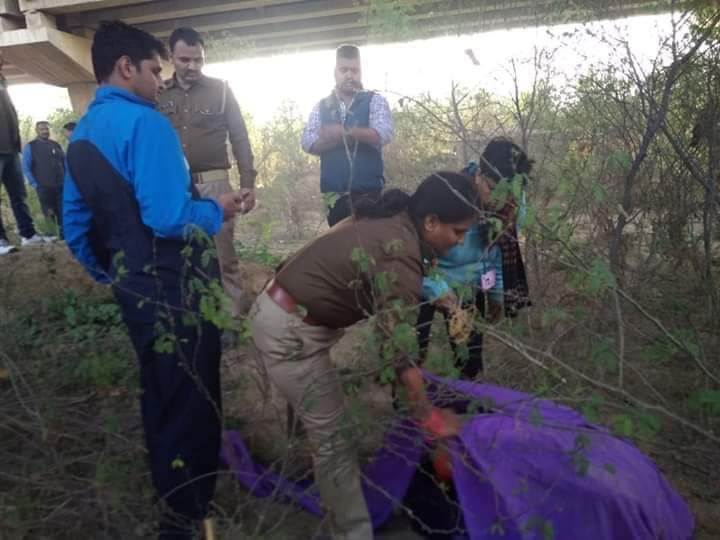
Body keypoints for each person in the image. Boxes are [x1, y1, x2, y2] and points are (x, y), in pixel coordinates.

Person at [62, 21, 243, 538]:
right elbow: (167, 215)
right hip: (178, 282)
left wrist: (118, 273)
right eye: (154, 70)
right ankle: (189, 514)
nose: (160, 81)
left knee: (161, 390)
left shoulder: (84, 135)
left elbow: (74, 226)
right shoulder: (148, 125)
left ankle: (174, 490)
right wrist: (217, 209)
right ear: (127, 67)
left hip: (136, 288)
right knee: (193, 392)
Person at [250, 171, 478, 540]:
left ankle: (299, 453)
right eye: (458, 231)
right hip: (290, 332)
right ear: (431, 221)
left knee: (317, 409)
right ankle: (353, 533)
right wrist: (430, 419)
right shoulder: (400, 252)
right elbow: (399, 354)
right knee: (334, 440)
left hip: (284, 314)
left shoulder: (397, 219)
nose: (460, 241)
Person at [157, 26, 256, 318]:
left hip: (215, 185)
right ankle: (195, 317)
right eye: (185, 60)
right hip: (174, 187)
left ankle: (233, 319)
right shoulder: (158, 93)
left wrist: (248, 183)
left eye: (198, 60)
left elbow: (240, 137)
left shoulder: (222, 90)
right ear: (171, 57)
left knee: (223, 257)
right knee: (181, 253)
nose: (192, 66)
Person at [416, 139, 533, 380]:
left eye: (509, 194)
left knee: (469, 359)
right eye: (492, 189)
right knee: (412, 350)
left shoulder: (509, 209)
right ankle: (408, 400)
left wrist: (496, 294)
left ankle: (465, 400)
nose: (498, 200)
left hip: (468, 286)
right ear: (479, 174)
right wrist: (437, 288)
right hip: (427, 279)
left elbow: (496, 253)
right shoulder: (448, 195)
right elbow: (413, 253)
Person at [301, 44, 394, 227]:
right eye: (344, 70)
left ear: (361, 72)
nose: (350, 75)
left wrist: (344, 132)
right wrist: (348, 137)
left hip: (370, 193)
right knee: (340, 249)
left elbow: (384, 133)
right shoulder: (321, 106)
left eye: (355, 70)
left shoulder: (375, 100)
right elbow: (308, 142)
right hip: (334, 196)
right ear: (335, 72)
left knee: (369, 246)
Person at [0, 50, 46, 255]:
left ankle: (28, 235)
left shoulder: (2, 80)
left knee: (19, 194)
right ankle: (1, 241)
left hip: (10, 147)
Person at [22, 121, 65, 237]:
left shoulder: (55, 144)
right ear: (37, 131)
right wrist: (35, 184)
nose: (45, 131)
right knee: (49, 212)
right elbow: (26, 167)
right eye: (42, 129)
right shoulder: (31, 146)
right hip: (43, 187)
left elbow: (65, 162)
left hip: (60, 185)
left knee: (63, 211)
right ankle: (52, 236)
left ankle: (64, 235)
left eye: (46, 129)